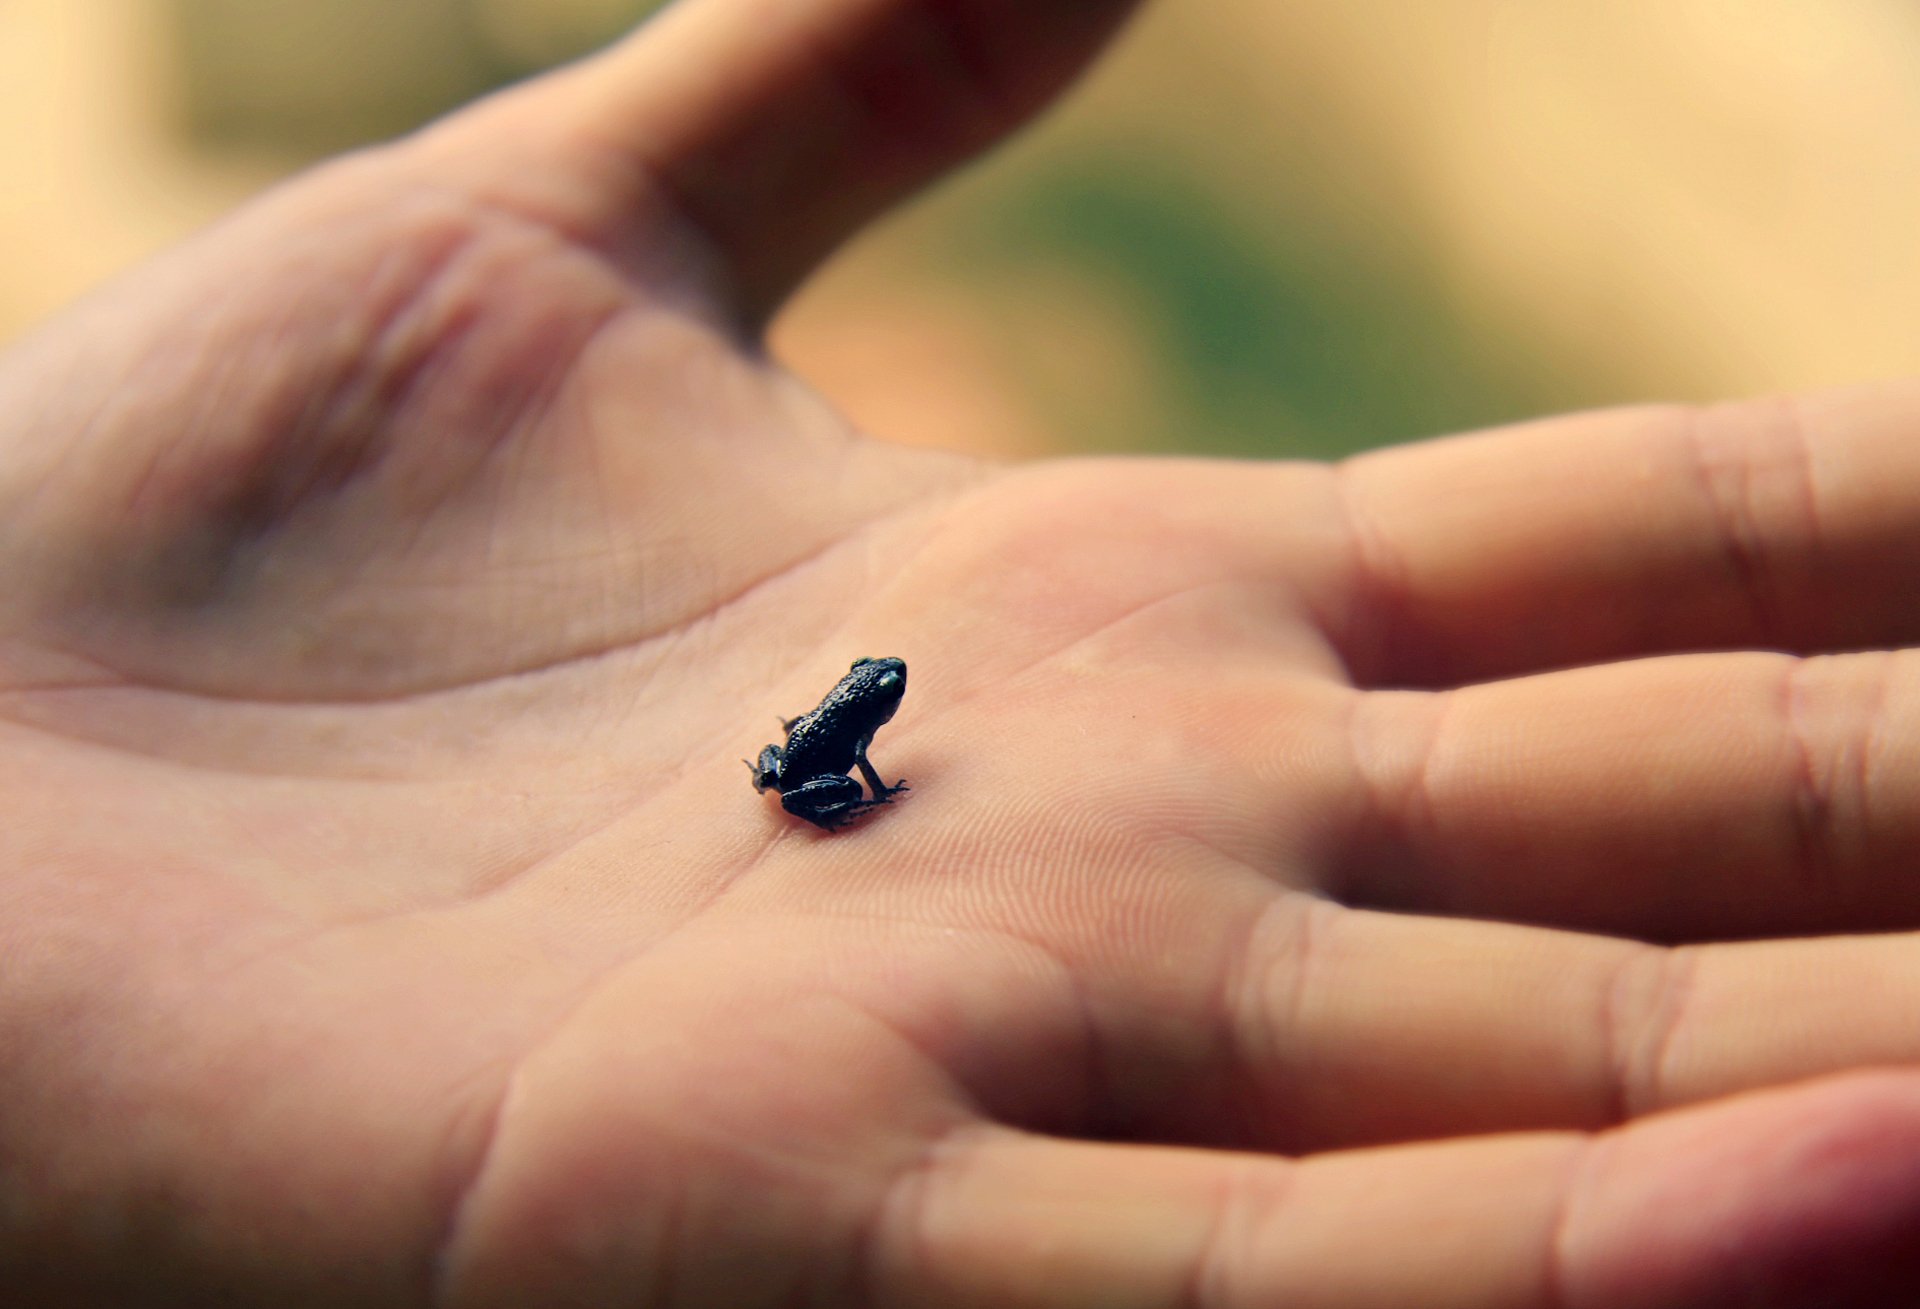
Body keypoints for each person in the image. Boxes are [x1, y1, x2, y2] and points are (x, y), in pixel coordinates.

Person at [5, 0, 1920, 1303]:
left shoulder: (853, 717)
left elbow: (835, 734)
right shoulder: (837, 744)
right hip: (801, 777)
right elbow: (823, 753)